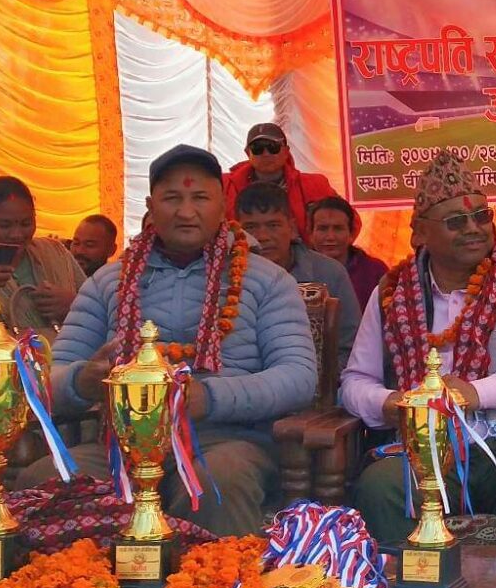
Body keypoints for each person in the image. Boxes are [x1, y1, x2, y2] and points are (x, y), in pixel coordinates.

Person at [19, 145, 319, 537]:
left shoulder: (268, 280)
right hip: (120, 444)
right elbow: (47, 380)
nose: (186, 212)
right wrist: (82, 380)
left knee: (216, 485)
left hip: (226, 440)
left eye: (200, 198)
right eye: (172, 198)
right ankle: (80, 578)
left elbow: (298, 376)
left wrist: (208, 398)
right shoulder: (108, 282)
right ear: (150, 206)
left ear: (222, 204)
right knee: (45, 479)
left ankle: (211, 578)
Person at [343, 151, 496, 541]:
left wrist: (476, 393)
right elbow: (355, 380)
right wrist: (391, 403)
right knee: (380, 488)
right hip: (421, 450)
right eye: (456, 221)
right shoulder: (391, 294)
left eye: (481, 217)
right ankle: (418, 584)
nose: (474, 229)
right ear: (420, 232)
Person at [235, 183, 360, 366]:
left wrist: (324, 379)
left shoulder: (330, 273)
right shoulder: (223, 278)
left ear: (292, 228)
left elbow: (351, 348)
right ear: (237, 231)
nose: (262, 236)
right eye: (251, 227)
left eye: (273, 225)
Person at [0, 176, 87, 338]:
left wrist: (74, 305)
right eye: (5, 225)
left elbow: (102, 313)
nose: (17, 234)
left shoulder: (56, 253)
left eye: (26, 224)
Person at [221, 122, 336, 235]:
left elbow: (343, 220)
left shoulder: (315, 185)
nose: (266, 154)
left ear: (286, 151)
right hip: (242, 246)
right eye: (257, 148)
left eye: (273, 147)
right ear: (248, 153)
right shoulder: (224, 185)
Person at [306, 195, 387, 304]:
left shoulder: (375, 271)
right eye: (323, 229)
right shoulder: (297, 271)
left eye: (338, 228)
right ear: (310, 234)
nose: (330, 237)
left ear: (351, 234)